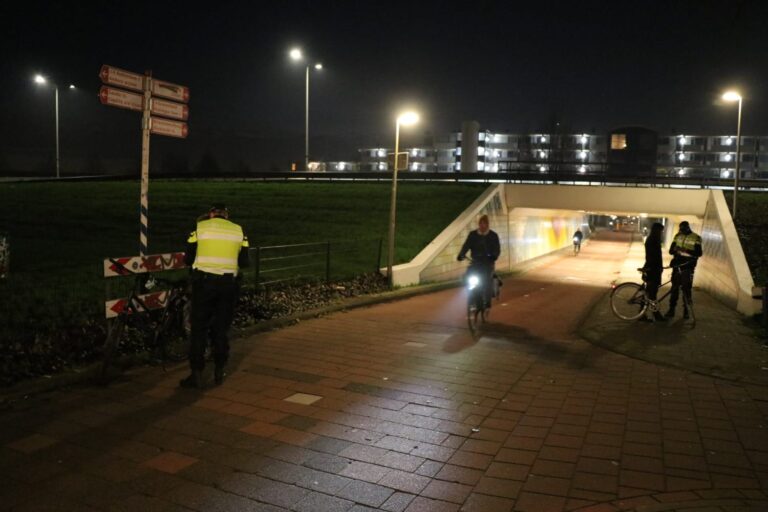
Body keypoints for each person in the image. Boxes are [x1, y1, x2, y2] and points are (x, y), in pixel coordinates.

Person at [180, 204, 249, 388]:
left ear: (211, 214)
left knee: (199, 328)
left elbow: (187, 258)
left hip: (204, 284)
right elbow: (245, 261)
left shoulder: (199, 228)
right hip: (228, 285)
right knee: (221, 328)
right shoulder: (238, 230)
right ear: (226, 215)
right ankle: (219, 370)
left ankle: (196, 373)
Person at [457, 214, 501, 308]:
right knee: (467, 277)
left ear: (487, 224)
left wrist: (493, 256)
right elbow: (466, 245)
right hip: (475, 262)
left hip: (487, 263)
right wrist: (461, 254)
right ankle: (472, 297)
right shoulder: (473, 235)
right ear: (479, 224)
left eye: (484, 224)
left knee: (486, 280)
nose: (482, 226)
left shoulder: (493, 236)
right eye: (481, 223)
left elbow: (497, 249)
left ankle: (487, 301)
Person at [665, 220, 702, 319]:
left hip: (688, 267)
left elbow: (699, 253)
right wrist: (676, 249)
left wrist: (685, 250)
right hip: (677, 266)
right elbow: (670, 251)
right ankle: (671, 310)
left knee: (686, 290)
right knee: (674, 289)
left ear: (688, 227)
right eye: (680, 229)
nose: (681, 231)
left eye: (683, 229)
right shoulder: (677, 236)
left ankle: (686, 311)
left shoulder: (696, 238)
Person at [639, 222, 666, 322]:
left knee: (649, 293)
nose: (661, 233)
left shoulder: (652, 239)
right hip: (653, 270)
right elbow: (653, 257)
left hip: (653, 269)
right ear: (657, 231)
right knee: (652, 293)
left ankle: (642, 315)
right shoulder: (653, 241)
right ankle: (656, 315)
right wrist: (654, 267)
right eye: (661, 231)